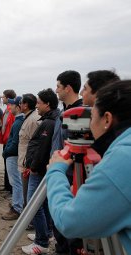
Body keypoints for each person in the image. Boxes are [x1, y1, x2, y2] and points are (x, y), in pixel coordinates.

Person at [47, 80, 131, 254]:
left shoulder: (122, 159)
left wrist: (55, 171)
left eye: (92, 117)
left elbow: (69, 222)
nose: (89, 125)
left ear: (107, 118)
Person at [21, 88, 59, 254]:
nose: (37, 105)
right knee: (43, 204)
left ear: (47, 104)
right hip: (42, 169)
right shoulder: (50, 119)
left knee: (33, 205)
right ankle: (47, 233)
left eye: (39, 102)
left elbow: (42, 149)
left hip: (39, 170)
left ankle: (41, 242)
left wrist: (33, 167)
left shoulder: (49, 123)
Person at [52, 70, 84, 253]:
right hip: (58, 173)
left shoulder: (78, 114)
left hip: (71, 179)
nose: (56, 90)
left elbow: (77, 152)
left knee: (70, 235)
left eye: (58, 86)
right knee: (59, 231)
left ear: (68, 88)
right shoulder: (63, 112)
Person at [1, 96, 24, 220]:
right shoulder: (18, 120)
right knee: (15, 182)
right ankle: (17, 203)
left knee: (15, 182)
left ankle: (17, 208)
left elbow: (15, 143)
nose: (9, 107)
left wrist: (6, 152)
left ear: (18, 107)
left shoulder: (19, 121)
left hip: (13, 155)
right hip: (13, 154)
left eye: (12, 105)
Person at [17, 94, 40, 208]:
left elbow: (35, 145)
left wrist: (29, 165)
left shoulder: (33, 120)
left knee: (28, 194)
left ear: (25, 105)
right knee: (25, 192)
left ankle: (30, 222)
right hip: (24, 161)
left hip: (27, 164)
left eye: (21, 103)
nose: (19, 105)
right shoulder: (28, 117)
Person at [0, 89, 16, 193]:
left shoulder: (11, 111)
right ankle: (6, 187)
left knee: (9, 166)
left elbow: (11, 127)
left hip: (9, 141)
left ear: (8, 98)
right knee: (6, 165)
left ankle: (10, 189)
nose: (2, 98)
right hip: (6, 141)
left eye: (3, 97)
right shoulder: (7, 110)